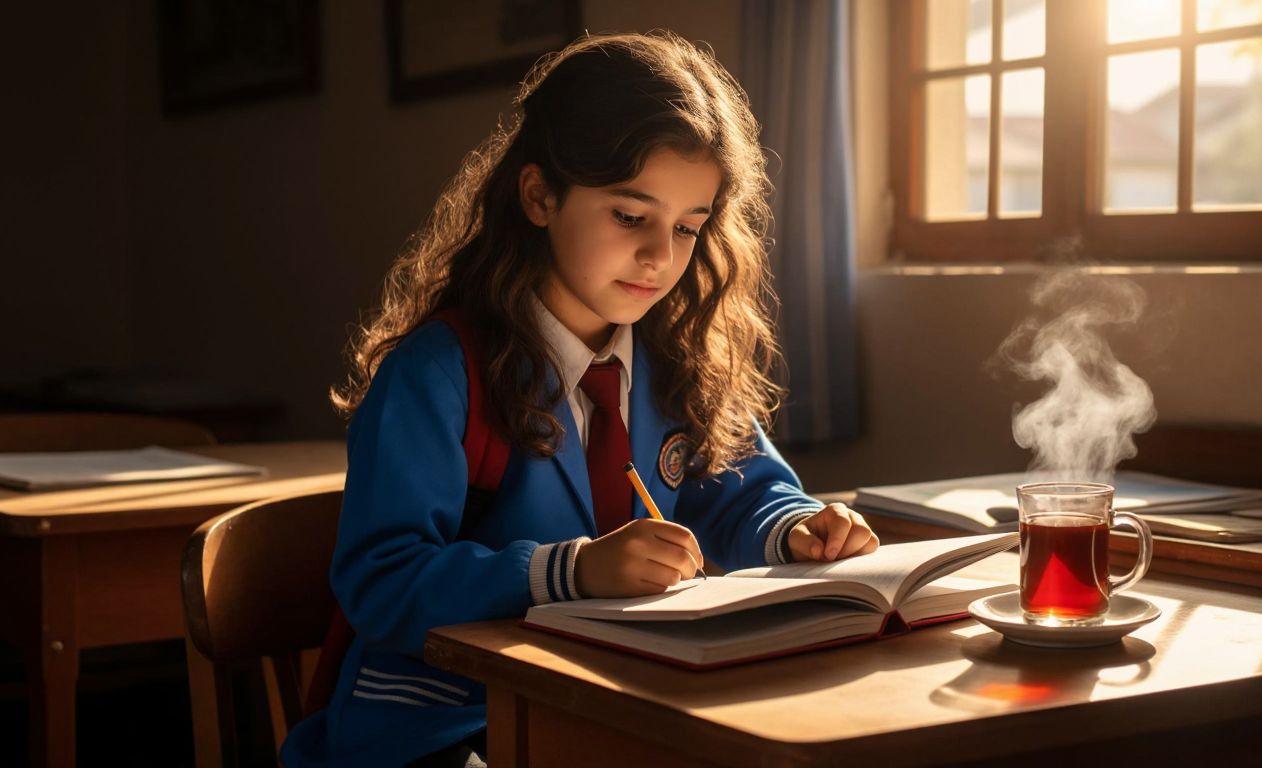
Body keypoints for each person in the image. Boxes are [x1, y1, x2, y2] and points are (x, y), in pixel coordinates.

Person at [280, 30, 878, 768]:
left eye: (689, 228)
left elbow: (741, 491)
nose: (661, 255)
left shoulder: (678, 357)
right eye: (631, 217)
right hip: (440, 731)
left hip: (610, 711)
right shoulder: (438, 373)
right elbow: (382, 580)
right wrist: (569, 571)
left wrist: (795, 529)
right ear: (539, 196)